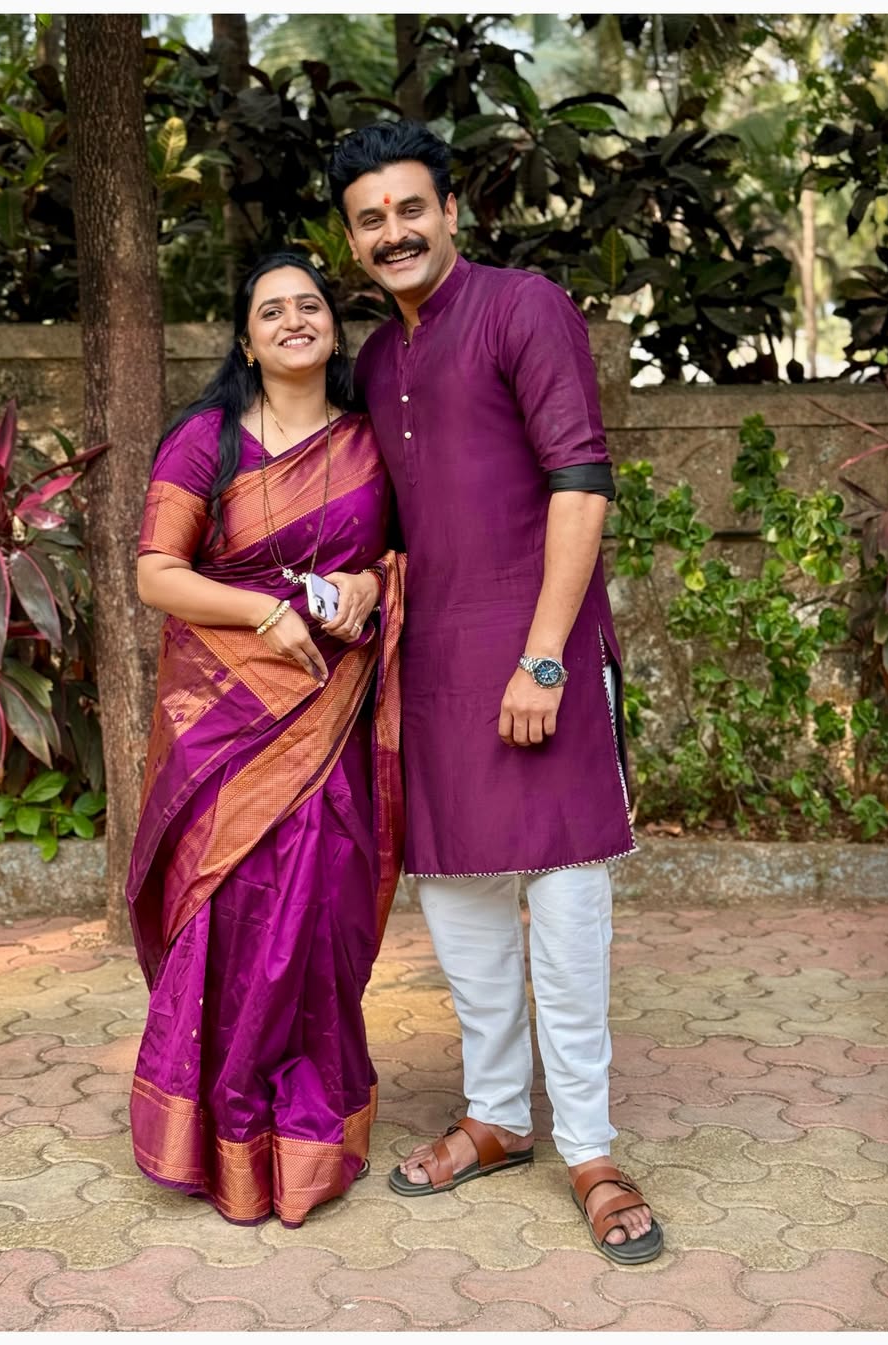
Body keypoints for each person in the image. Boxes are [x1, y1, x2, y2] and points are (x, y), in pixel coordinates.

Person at [327, 122, 663, 1264]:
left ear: (451, 211)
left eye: (410, 208)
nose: (394, 232)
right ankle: (499, 1115)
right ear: (353, 239)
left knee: (566, 909)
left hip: (540, 656)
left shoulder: (525, 308)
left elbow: (582, 485)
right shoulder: (378, 361)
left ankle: (593, 1150)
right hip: (434, 671)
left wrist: (546, 658)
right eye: (371, 219)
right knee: (462, 911)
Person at [126, 251, 406, 1229]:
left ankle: (308, 1130)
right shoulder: (207, 441)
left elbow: (408, 555)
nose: (294, 320)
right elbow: (157, 573)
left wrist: (371, 584)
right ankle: (225, 1135)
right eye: (272, 310)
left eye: (310, 305)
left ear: (333, 325)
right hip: (228, 725)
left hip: (332, 716)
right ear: (246, 341)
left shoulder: (373, 441)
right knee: (234, 915)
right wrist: (261, 612)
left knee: (318, 919)